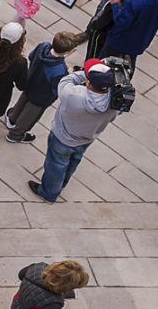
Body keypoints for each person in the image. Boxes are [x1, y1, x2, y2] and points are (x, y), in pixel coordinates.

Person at [30, 60, 118, 202]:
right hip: (87, 138)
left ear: (88, 82)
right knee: (74, 160)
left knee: (56, 165)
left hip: (63, 137)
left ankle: (49, 192)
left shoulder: (74, 94)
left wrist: (84, 73)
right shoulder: (114, 101)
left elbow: (66, 80)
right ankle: (62, 183)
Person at [6, 30, 83, 144]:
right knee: (30, 116)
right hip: (42, 96)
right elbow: (57, 88)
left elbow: (31, 56)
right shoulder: (59, 70)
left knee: (22, 100)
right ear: (67, 52)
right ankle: (15, 134)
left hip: (30, 82)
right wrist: (68, 73)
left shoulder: (43, 46)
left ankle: (12, 119)